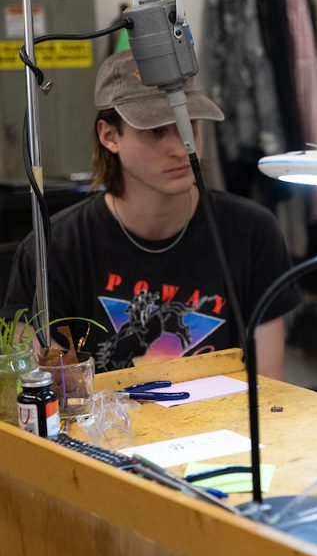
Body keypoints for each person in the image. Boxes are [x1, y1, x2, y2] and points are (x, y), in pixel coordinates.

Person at [2, 51, 300, 379]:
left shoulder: (253, 233)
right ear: (109, 136)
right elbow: (36, 395)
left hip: (225, 426)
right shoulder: (52, 250)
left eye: (189, 126)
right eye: (156, 131)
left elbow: (270, 393)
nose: (180, 148)